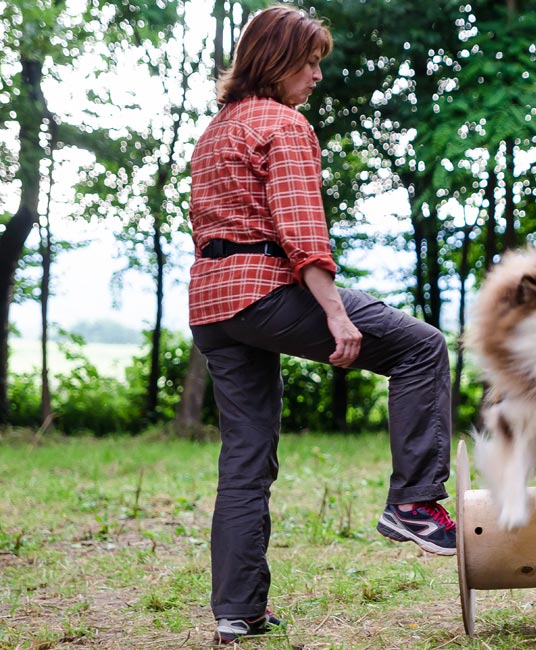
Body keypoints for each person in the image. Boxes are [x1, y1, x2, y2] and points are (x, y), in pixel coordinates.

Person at [187, 6, 455, 644]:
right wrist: (335, 313)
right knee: (422, 348)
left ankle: (238, 611)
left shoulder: (216, 130)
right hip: (264, 292)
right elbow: (302, 231)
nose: (316, 75)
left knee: (245, 460)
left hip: (212, 307)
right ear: (275, 62)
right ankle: (414, 503)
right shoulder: (284, 124)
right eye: (308, 63)